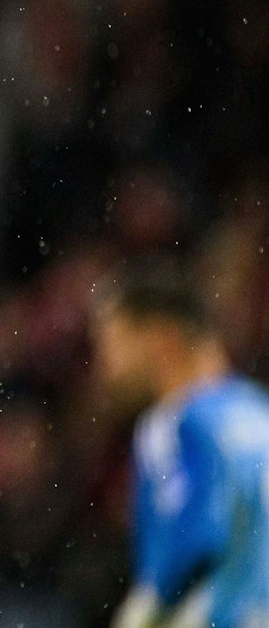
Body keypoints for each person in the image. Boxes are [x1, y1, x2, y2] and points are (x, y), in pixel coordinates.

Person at [95, 267, 269, 628]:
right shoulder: (259, 413)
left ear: (160, 338)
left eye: (113, 343)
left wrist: (144, 610)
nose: (104, 366)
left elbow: (191, 539)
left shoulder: (172, 424)